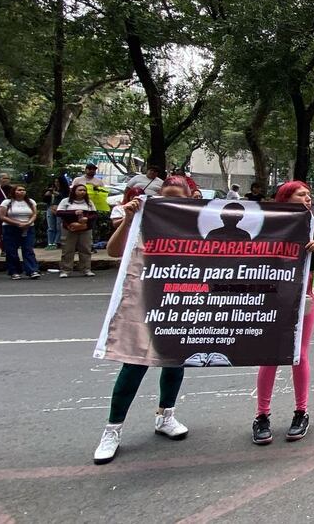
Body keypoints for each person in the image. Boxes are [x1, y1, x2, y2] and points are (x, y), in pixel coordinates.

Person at [93, 175, 193, 465]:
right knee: (134, 363)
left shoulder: (197, 225)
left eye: (178, 195)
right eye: (166, 194)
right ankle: (112, 429)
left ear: (189, 198)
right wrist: (128, 219)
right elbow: (113, 250)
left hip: (181, 300)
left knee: (174, 361)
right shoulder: (144, 220)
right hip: (145, 301)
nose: (170, 200)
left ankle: (166, 415)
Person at [252, 181, 314, 445]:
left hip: (306, 293)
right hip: (273, 294)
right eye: (302, 194)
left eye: (310, 195)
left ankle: (301, 411)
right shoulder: (267, 223)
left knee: (299, 354)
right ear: (285, 198)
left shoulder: (312, 223)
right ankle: (261, 415)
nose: (308, 198)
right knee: (270, 354)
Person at [0, 183, 39, 280]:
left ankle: (32, 270)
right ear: (14, 192)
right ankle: (14, 271)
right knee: (11, 250)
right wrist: (17, 223)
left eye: (23, 190)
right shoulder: (7, 202)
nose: (22, 192)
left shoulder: (31, 202)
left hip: (28, 227)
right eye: (19, 190)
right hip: (10, 228)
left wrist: (28, 223)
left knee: (28, 249)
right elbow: (2, 216)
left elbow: (34, 214)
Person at [57, 184, 97, 278]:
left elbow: (94, 214)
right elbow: (59, 212)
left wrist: (87, 218)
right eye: (80, 190)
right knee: (68, 249)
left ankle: (86, 269)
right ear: (74, 191)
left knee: (85, 249)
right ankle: (66, 270)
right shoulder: (66, 201)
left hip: (85, 228)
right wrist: (73, 213)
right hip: (69, 228)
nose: (82, 192)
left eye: (84, 190)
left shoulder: (89, 202)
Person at [44, 176, 67, 249]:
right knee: (51, 227)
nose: (56, 183)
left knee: (58, 227)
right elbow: (45, 200)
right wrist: (47, 194)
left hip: (60, 209)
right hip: (50, 208)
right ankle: (50, 243)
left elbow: (64, 198)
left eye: (58, 182)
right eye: (55, 182)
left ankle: (56, 242)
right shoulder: (52, 189)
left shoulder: (64, 190)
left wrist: (55, 193)